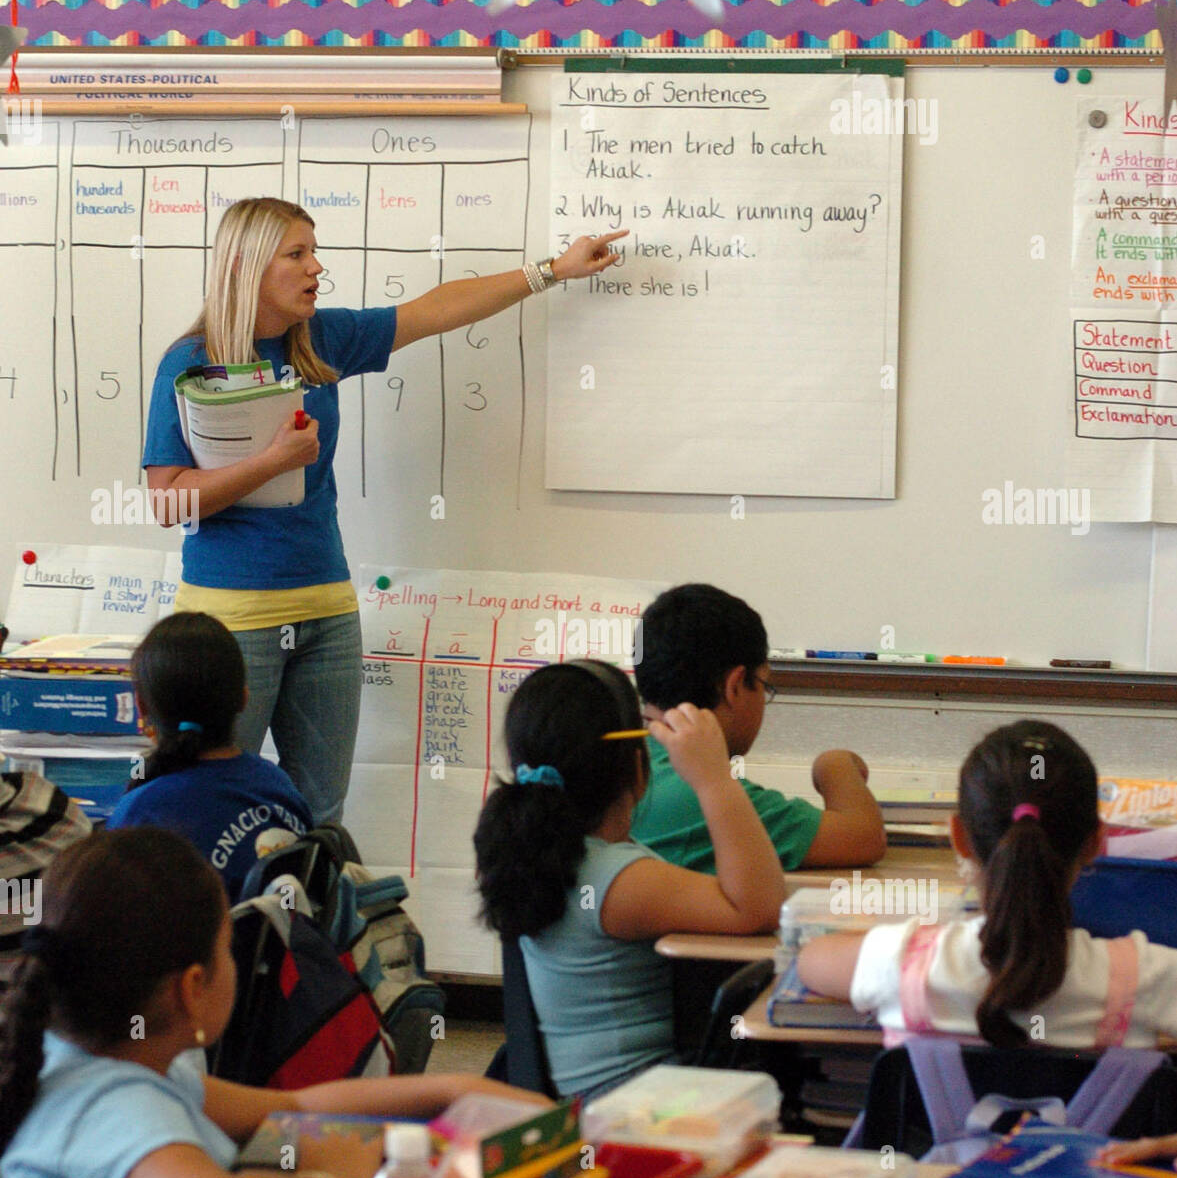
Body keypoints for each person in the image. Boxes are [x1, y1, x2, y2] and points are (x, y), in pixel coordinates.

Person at [143, 196, 626, 826]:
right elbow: (165, 499)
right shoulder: (189, 364)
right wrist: (272, 461)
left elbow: (436, 309)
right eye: (298, 254)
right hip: (231, 626)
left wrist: (552, 271)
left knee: (319, 815)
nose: (317, 268)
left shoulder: (321, 339)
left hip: (328, 615)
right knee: (211, 811)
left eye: (314, 252)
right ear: (246, 265)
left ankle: (310, 922)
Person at [0, 827, 547, 1178]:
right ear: (192, 987)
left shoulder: (118, 1058)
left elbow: (290, 1106)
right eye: (226, 948)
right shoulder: (109, 1105)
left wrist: (449, 1092)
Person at [473, 660, 785, 1100]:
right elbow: (759, 905)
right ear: (636, 768)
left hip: (602, 1104)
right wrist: (713, 777)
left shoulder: (553, 857)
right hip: (635, 1113)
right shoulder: (616, 880)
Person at [798, 720, 1177, 1047]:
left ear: (958, 837)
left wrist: (913, 936)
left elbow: (810, 959)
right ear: (1096, 842)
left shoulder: (904, 961)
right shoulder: (1148, 976)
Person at [630, 584, 886, 872]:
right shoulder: (696, 790)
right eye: (764, 685)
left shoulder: (626, 761)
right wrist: (834, 765)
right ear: (735, 686)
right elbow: (863, 837)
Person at [106, 612, 312, 904]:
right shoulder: (278, 783)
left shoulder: (139, 814)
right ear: (243, 699)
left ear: (141, 708)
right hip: (285, 945)